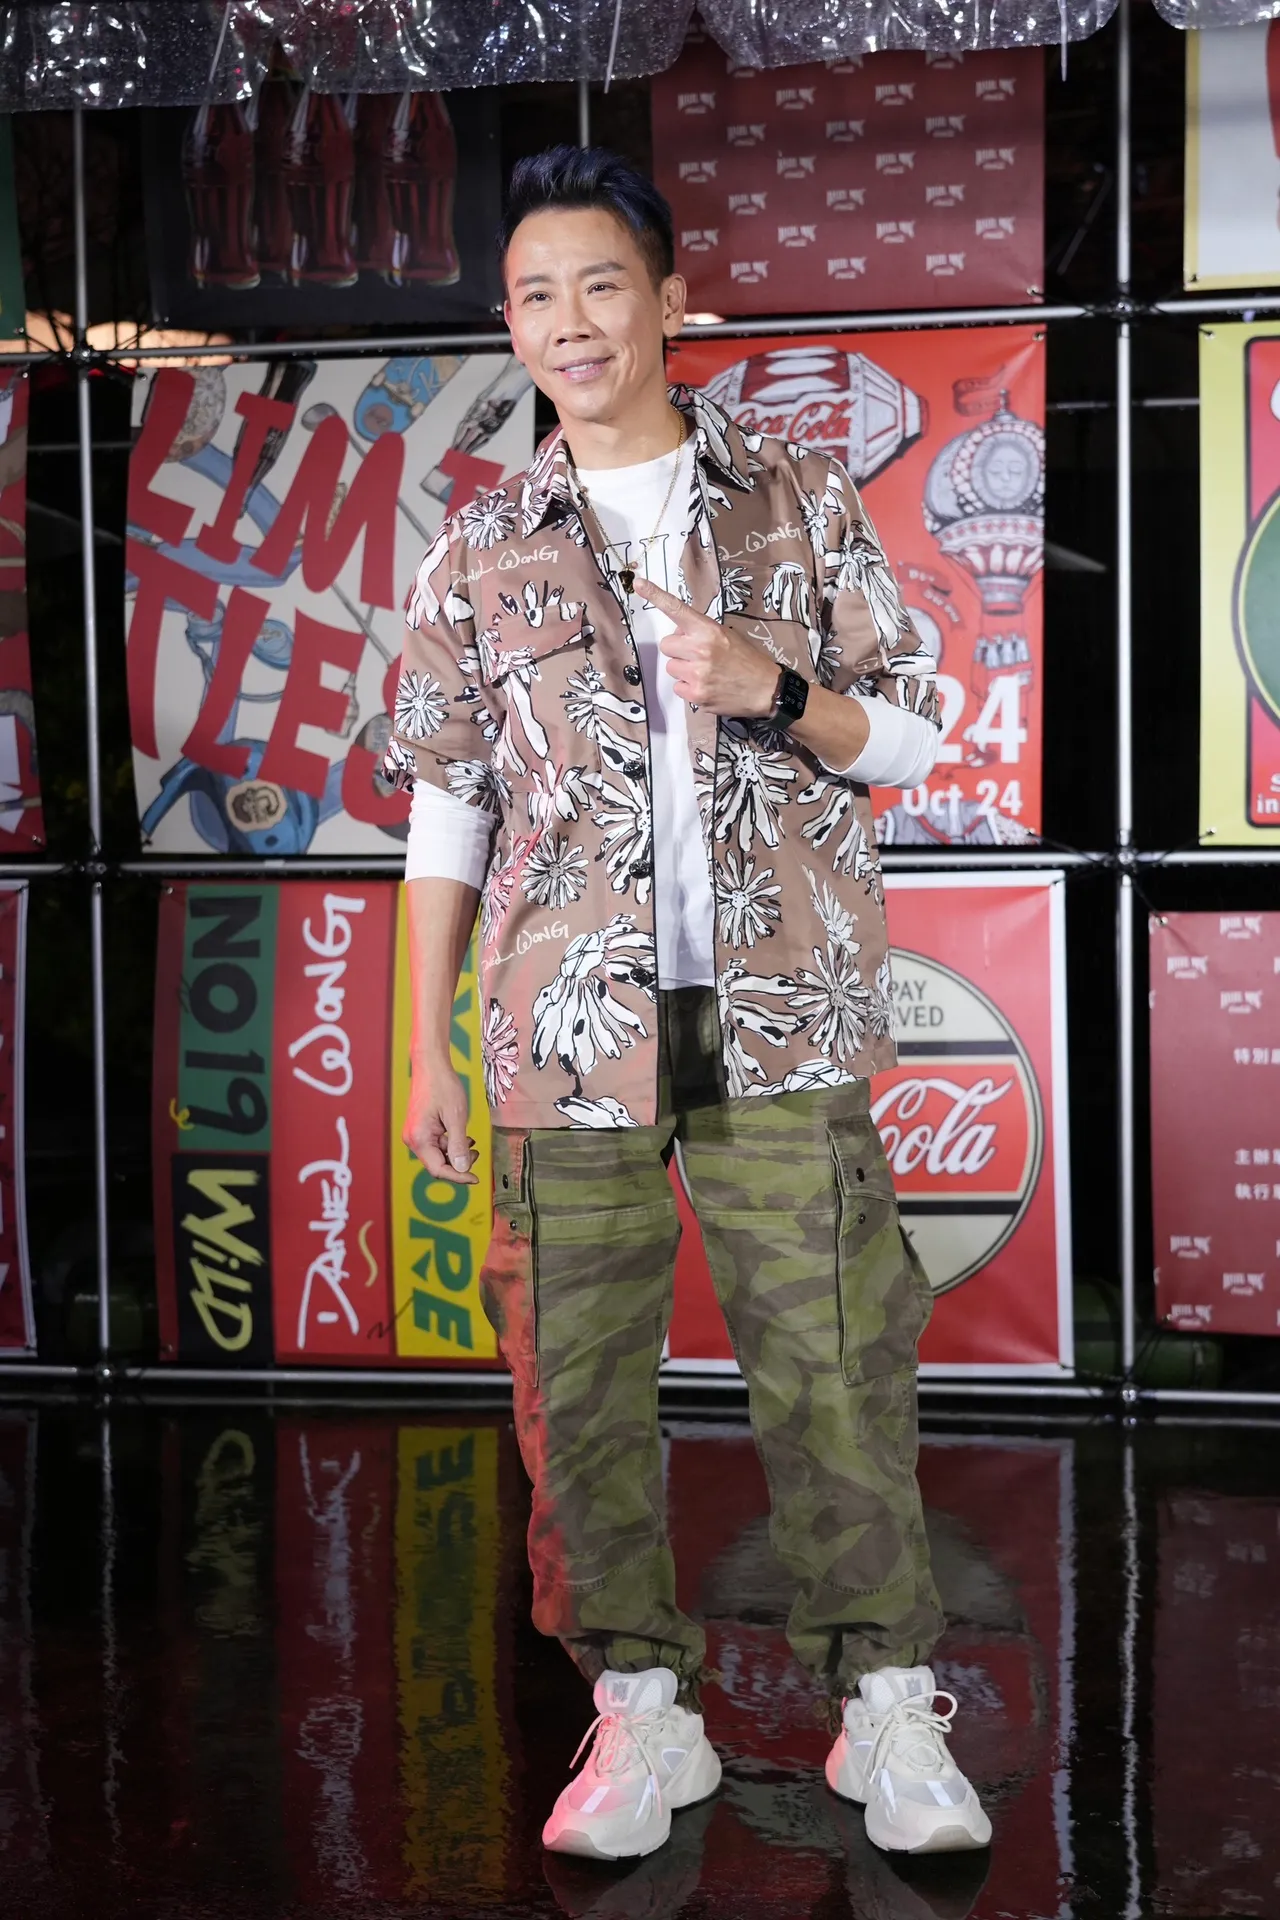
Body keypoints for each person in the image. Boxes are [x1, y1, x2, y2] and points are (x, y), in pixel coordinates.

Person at [384, 145, 992, 1865]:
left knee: (836, 1362)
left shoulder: (796, 493)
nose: (570, 321)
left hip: (780, 1018)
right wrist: (426, 1049)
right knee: (574, 1388)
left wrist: (772, 687)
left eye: (600, 284)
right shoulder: (480, 544)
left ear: (668, 301)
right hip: (563, 1037)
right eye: (535, 296)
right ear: (513, 329)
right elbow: (445, 808)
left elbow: (916, 737)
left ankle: (886, 1709)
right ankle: (641, 1711)